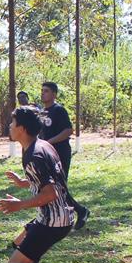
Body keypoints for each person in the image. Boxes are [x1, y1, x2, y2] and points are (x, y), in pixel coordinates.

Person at [0, 106, 72, 263]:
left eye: (12, 123)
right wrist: (23, 183)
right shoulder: (40, 145)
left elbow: (50, 194)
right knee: (20, 246)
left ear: (21, 128)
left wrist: (19, 205)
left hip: (54, 220)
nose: (9, 127)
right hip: (53, 216)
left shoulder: (34, 155)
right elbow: (47, 179)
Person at [39, 82, 89, 230]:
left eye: (46, 91)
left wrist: (50, 142)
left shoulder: (59, 110)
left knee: (59, 187)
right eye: (42, 91)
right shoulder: (42, 112)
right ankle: (73, 212)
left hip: (60, 153)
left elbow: (68, 131)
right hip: (47, 154)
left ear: (54, 94)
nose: (43, 93)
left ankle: (79, 211)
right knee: (49, 186)